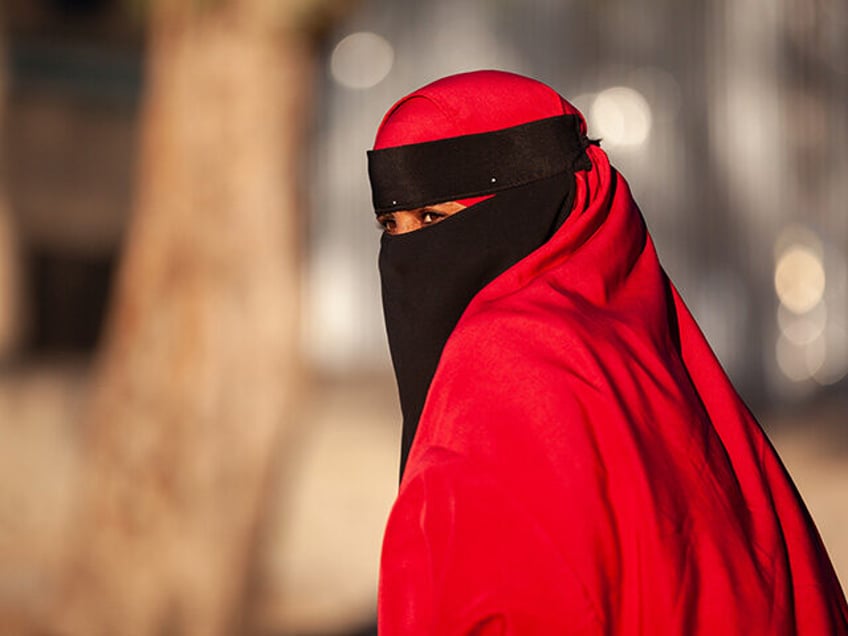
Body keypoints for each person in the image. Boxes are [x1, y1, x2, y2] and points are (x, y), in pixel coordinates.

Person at [366, 70, 848, 635]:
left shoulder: (503, 361)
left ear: (528, 205)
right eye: (390, 224)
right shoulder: (646, 351)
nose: (409, 252)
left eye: (434, 218)